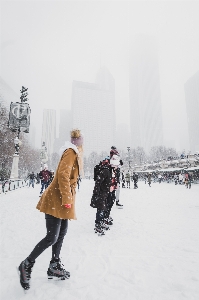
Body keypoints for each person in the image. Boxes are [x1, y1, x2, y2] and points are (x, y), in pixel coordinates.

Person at [18, 129, 84, 291]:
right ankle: (26, 264)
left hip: (61, 199)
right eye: (79, 140)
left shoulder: (74, 152)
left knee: (61, 233)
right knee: (52, 237)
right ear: (76, 141)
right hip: (57, 199)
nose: (80, 142)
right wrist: (68, 199)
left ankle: (54, 264)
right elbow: (62, 175)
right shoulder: (71, 152)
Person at [90, 157, 112, 235]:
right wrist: (96, 193)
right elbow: (98, 182)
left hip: (104, 192)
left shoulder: (107, 170)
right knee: (101, 209)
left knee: (103, 208)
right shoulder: (105, 170)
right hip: (101, 193)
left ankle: (101, 222)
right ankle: (98, 225)